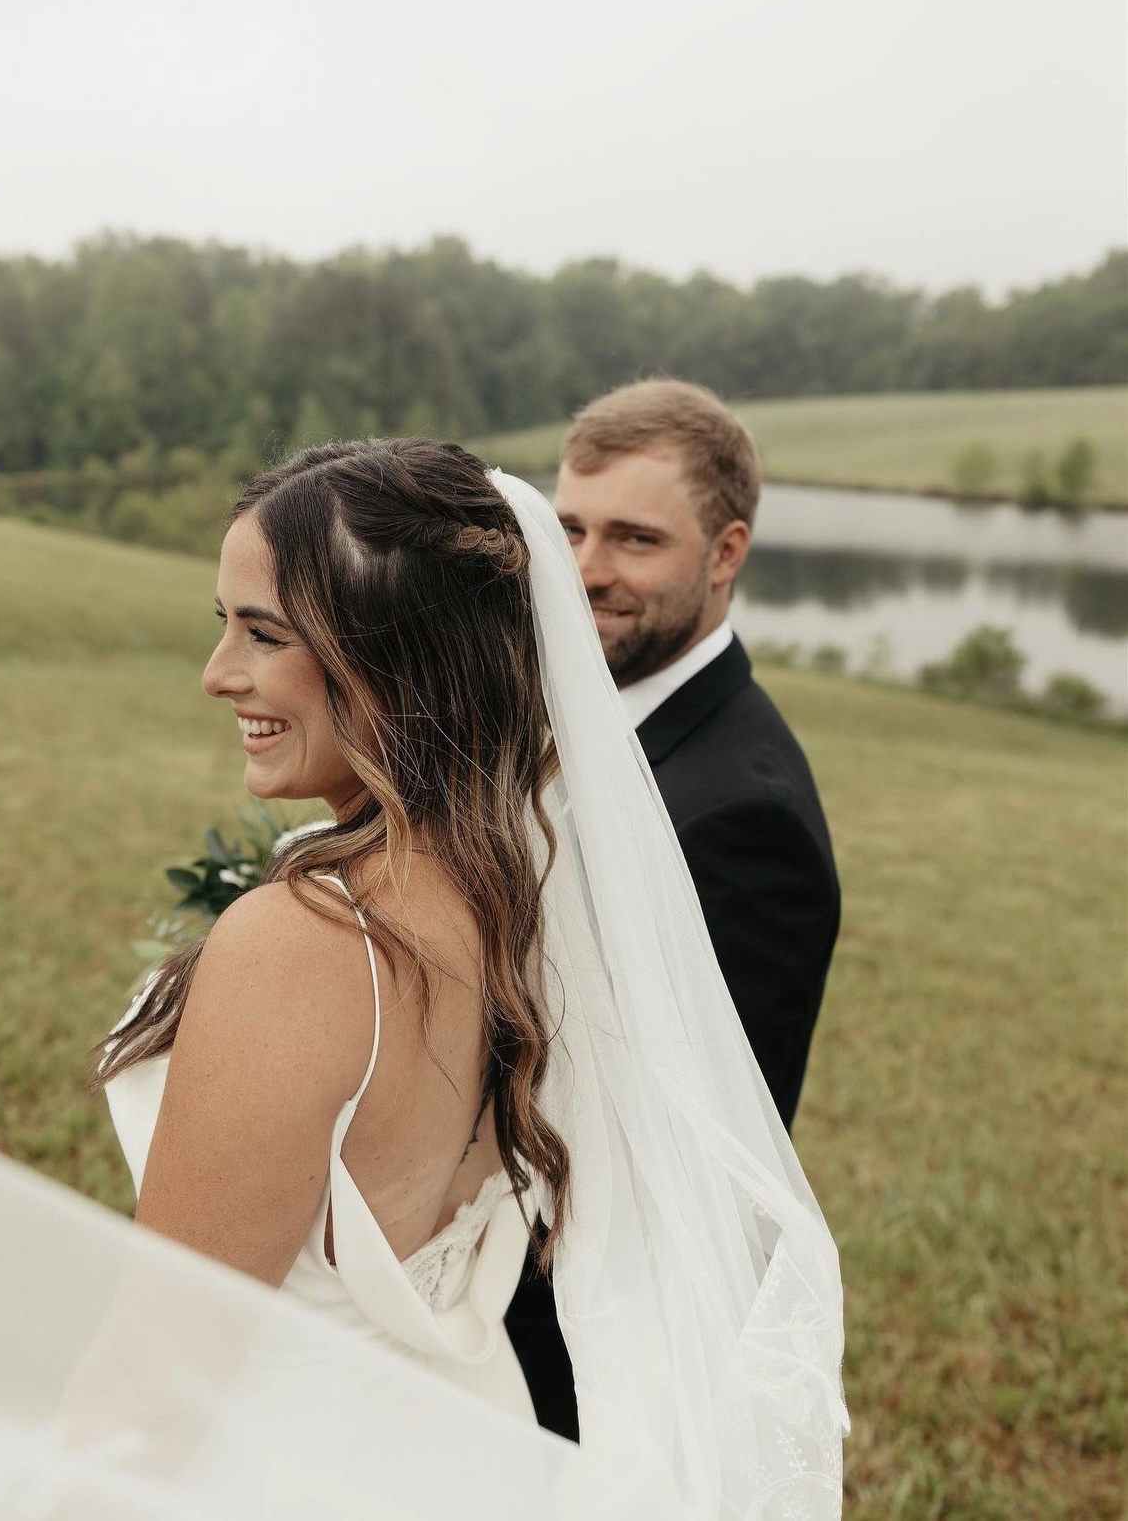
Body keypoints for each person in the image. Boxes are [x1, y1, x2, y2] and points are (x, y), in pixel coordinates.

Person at [88, 438, 846, 1513]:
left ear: (396, 658)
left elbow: (156, 1369)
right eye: (224, 626)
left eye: (263, 633)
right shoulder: (529, 898)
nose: (219, 673)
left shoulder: (299, 943)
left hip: (285, 1462)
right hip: (464, 1443)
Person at [508, 379, 840, 1439]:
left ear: (727, 552)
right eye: (569, 529)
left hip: (569, 1355)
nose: (587, 570)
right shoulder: (571, 705)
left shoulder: (745, 817)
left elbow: (687, 1171)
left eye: (635, 539)